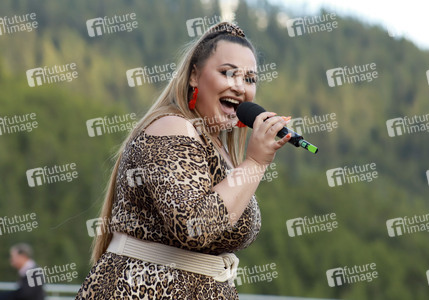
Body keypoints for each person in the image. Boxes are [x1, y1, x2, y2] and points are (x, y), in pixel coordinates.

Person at [76, 21, 291, 299]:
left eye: (250, 79)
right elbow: (194, 227)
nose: (240, 87)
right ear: (193, 76)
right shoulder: (171, 126)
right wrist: (256, 163)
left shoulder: (217, 149)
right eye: (228, 73)